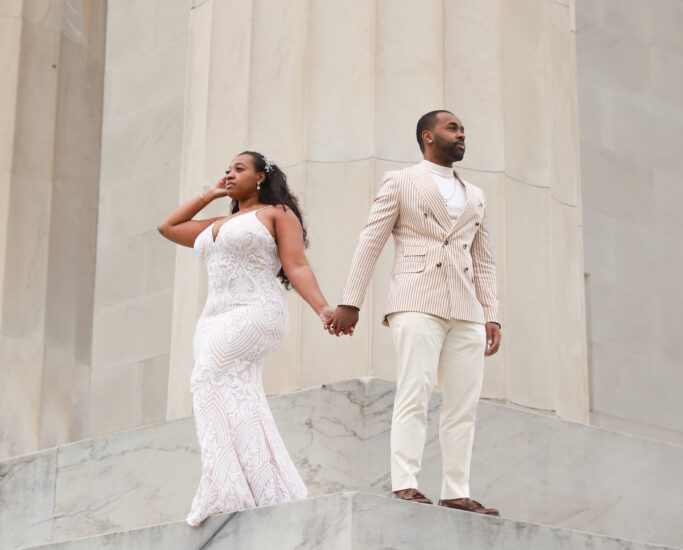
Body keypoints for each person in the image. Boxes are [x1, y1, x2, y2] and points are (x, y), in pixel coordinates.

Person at [328, 110, 501, 515]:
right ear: (428, 136)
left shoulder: (475, 194)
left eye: (463, 129)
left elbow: (485, 260)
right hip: (415, 299)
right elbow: (370, 241)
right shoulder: (401, 181)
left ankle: (456, 490)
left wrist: (491, 313)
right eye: (453, 128)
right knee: (415, 391)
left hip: (467, 310)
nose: (461, 134)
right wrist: (350, 302)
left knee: (464, 405)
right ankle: (405, 484)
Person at [158, 151, 334, 526]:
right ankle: (265, 489)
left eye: (239, 169)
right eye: (227, 170)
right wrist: (211, 193)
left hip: (256, 310)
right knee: (236, 396)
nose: (230, 174)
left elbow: (297, 264)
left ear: (260, 177)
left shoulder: (276, 213)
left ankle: (226, 488)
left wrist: (322, 309)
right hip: (212, 320)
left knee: (205, 380)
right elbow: (168, 227)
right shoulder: (217, 222)